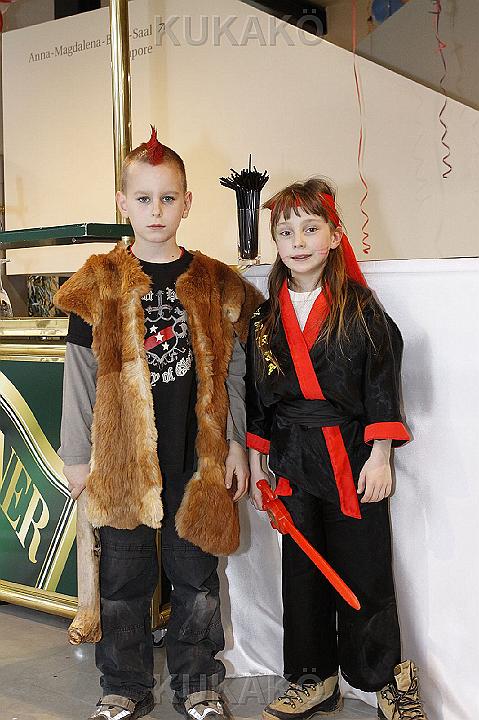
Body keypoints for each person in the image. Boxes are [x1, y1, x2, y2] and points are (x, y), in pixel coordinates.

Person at [54, 128, 262, 720]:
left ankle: (197, 683)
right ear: (123, 202)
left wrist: (237, 446)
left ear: (187, 202)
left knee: (197, 579)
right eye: (143, 199)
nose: (156, 211)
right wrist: (76, 457)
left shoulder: (217, 283)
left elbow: (234, 372)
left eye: (168, 198)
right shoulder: (100, 280)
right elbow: (80, 374)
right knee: (124, 581)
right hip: (121, 465)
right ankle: (124, 684)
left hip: (196, 462)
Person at [246, 178, 428, 720]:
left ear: (333, 235)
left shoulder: (362, 309)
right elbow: (259, 396)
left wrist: (381, 454)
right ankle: (314, 678)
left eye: (310, 229)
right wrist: (258, 462)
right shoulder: (264, 318)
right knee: (302, 574)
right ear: (276, 242)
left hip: (350, 456)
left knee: (363, 568)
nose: (298, 242)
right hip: (290, 458)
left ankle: (385, 680)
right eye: (286, 232)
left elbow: (381, 383)